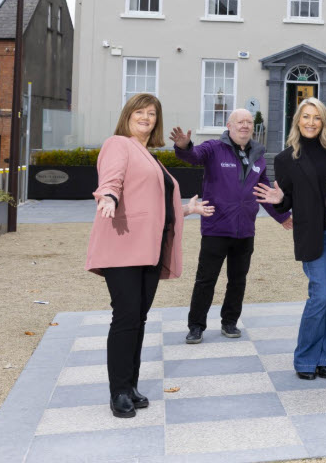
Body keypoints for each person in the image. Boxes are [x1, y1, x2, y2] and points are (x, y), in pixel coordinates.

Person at [85, 93, 214, 418]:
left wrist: (187, 209)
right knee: (126, 317)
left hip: (149, 249)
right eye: (140, 112)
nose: (146, 117)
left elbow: (153, 207)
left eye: (152, 113)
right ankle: (118, 393)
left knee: (137, 319)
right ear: (128, 115)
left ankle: (130, 386)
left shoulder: (148, 155)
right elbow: (111, 179)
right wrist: (109, 197)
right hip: (123, 246)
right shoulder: (118, 144)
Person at [253, 98, 326, 381]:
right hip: (312, 235)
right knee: (320, 295)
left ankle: (324, 358)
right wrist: (279, 199)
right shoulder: (286, 158)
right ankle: (305, 359)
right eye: (306, 117)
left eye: (317, 117)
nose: (311, 122)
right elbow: (285, 203)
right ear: (297, 120)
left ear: (323, 122)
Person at [170, 109, 291, 345]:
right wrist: (184, 146)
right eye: (240, 122)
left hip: (245, 230)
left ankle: (230, 322)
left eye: (248, 122)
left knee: (238, 279)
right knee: (206, 279)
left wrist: (282, 216)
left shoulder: (258, 155)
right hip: (217, 227)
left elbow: (265, 192)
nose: (245, 126)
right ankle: (196, 326)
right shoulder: (214, 148)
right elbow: (193, 156)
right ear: (229, 125)